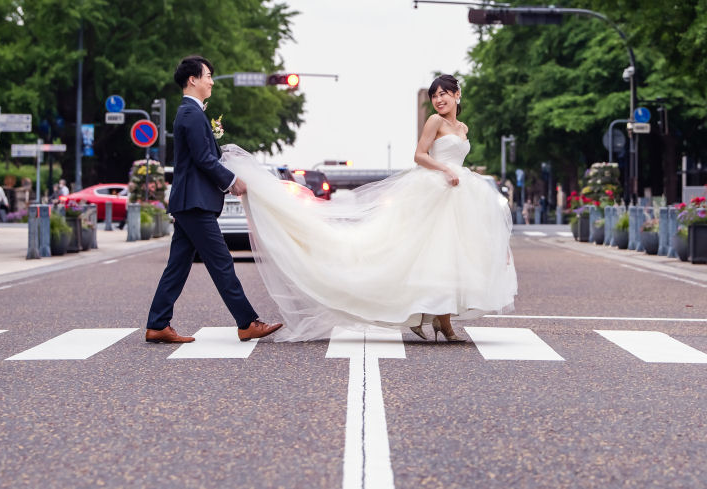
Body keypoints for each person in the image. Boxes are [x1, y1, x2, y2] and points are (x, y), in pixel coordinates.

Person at [221, 74, 516, 342]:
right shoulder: (434, 123)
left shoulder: (462, 127)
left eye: (444, 94)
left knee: (447, 259)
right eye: (434, 95)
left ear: (457, 95)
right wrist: (445, 170)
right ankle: (429, 318)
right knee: (420, 256)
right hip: (434, 188)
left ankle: (440, 320)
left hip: (456, 193)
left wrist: (455, 174)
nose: (439, 99)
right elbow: (419, 156)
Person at [145, 55, 282, 344]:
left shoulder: (191, 113)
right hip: (195, 203)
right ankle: (247, 322)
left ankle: (157, 324)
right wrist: (232, 181)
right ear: (192, 79)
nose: (211, 81)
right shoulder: (191, 114)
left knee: (178, 266)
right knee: (221, 263)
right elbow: (204, 158)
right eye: (207, 75)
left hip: (189, 202)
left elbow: (204, 156)